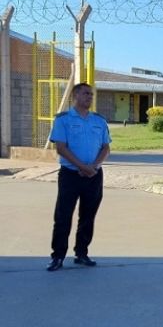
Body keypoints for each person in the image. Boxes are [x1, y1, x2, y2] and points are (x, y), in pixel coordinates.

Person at [46, 83, 111, 271]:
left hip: (94, 176)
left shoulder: (99, 121)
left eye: (91, 94)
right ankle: (57, 256)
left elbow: (106, 148)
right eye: (85, 93)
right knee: (63, 216)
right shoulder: (63, 120)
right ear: (74, 96)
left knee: (88, 216)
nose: (89, 97)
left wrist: (94, 167)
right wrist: (83, 167)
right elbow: (61, 148)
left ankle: (82, 253)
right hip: (70, 175)